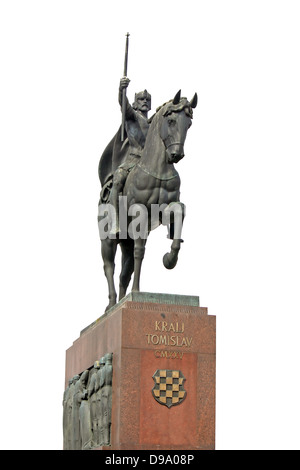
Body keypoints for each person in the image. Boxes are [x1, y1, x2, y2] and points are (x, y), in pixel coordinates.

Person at [109, 77, 151, 235]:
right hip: (133, 159)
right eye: (141, 99)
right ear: (135, 103)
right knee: (117, 181)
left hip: (149, 162)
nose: (144, 102)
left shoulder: (154, 123)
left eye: (147, 99)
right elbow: (124, 104)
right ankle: (115, 220)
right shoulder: (131, 116)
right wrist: (122, 90)